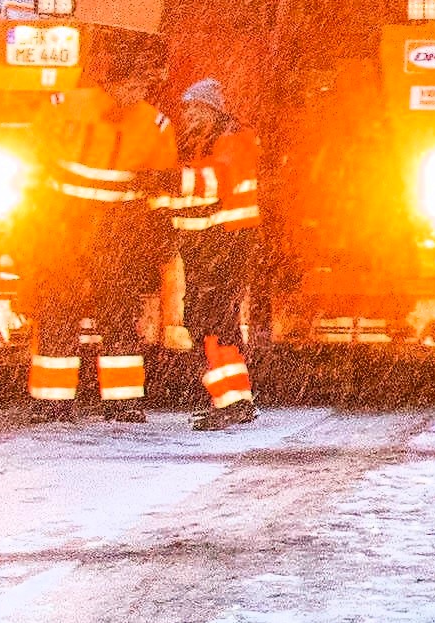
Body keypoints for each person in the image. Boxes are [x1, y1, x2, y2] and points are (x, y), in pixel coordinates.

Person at [39, 53, 175, 420]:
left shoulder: (157, 125)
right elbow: (35, 162)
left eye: (142, 87)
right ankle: (53, 402)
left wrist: (160, 232)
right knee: (58, 312)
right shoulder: (63, 106)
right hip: (65, 228)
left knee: (117, 317)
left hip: (118, 233)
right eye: (130, 85)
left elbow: (160, 188)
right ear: (109, 84)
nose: (135, 94)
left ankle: (124, 402)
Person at [163, 76, 267, 430]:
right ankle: (227, 398)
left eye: (194, 107)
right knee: (204, 321)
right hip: (204, 245)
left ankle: (235, 401)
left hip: (229, 242)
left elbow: (215, 181)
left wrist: (165, 180)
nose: (188, 114)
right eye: (186, 108)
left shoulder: (234, 140)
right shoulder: (200, 141)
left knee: (217, 324)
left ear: (210, 110)